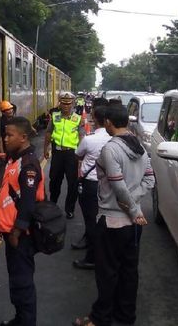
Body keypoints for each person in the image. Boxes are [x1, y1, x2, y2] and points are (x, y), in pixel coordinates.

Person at [73, 105, 155, 326]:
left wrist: (134, 210)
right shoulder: (139, 147)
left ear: (108, 122)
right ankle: (126, 316)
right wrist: (135, 207)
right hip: (134, 226)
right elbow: (149, 180)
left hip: (112, 220)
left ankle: (100, 319)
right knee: (129, 272)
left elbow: (118, 187)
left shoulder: (111, 149)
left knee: (107, 272)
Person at [0, 117, 45, 326]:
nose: (5, 139)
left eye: (10, 135)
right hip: (10, 230)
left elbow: (27, 201)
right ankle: (21, 319)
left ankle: (26, 322)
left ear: (23, 137)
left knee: (22, 282)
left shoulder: (28, 164)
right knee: (16, 280)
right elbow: (8, 195)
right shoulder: (14, 159)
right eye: (5, 135)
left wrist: (17, 230)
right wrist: (0, 226)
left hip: (21, 235)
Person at [71, 105, 111, 270]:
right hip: (109, 184)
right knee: (103, 219)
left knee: (91, 221)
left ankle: (92, 258)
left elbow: (78, 154)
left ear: (95, 119)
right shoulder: (113, 138)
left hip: (91, 184)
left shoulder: (89, 139)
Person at [43, 92, 84, 219]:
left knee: (73, 183)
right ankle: (53, 205)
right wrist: (46, 147)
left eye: (69, 103)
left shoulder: (78, 118)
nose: (66, 106)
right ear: (60, 103)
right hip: (57, 153)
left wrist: (81, 155)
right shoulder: (55, 117)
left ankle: (69, 209)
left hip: (72, 154)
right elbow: (49, 132)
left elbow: (82, 136)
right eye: (63, 103)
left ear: (72, 104)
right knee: (54, 180)